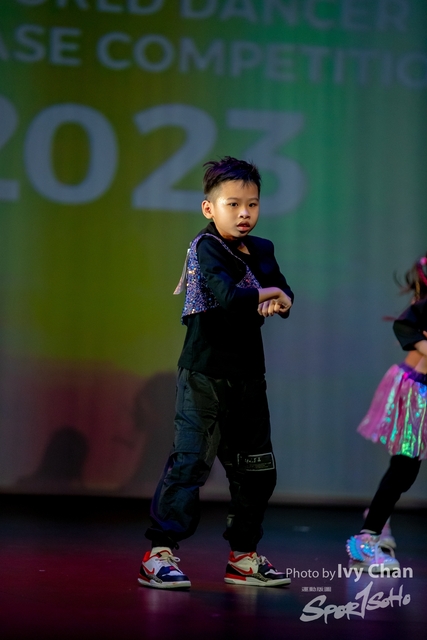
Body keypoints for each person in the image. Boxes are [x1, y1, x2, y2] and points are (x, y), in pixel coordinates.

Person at [138, 156, 294, 589]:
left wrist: (280, 298)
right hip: (205, 374)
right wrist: (269, 294)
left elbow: (283, 292)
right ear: (209, 208)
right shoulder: (205, 247)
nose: (245, 213)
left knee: (256, 470)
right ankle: (159, 554)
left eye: (252, 204)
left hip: (248, 375)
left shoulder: (262, 249)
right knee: (190, 463)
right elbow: (230, 296)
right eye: (233, 204)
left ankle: (243, 556)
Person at [346, 254, 427, 573]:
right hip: (419, 393)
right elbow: (406, 324)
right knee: (404, 467)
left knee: (405, 469)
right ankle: (367, 539)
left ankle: (376, 522)